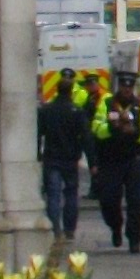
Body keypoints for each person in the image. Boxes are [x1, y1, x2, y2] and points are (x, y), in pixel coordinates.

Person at [92, 71, 140, 254]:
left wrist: (135, 132)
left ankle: (134, 239)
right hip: (111, 160)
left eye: (130, 87)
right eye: (124, 86)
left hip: (134, 160)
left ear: (133, 87)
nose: (127, 90)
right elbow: (96, 128)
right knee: (109, 200)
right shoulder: (107, 103)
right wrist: (113, 127)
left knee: (136, 202)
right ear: (119, 86)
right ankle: (115, 226)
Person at [37, 78, 91, 242]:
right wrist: (92, 160)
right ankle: (69, 229)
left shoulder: (47, 110)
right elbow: (86, 137)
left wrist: (37, 154)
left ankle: (55, 229)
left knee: (53, 194)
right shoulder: (76, 111)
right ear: (70, 92)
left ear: (57, 90)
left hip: (52, 157)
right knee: (71, 194)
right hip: (70, 158)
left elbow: (38, 134)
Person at [81, 74, 109, 200]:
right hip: (92, 134)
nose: (87, 87)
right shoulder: (92, 96)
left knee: (96, 164)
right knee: (93, 163)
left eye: (89, 85)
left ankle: (97, 190)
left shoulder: (101, 97)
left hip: (98, 136)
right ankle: (96, 189)